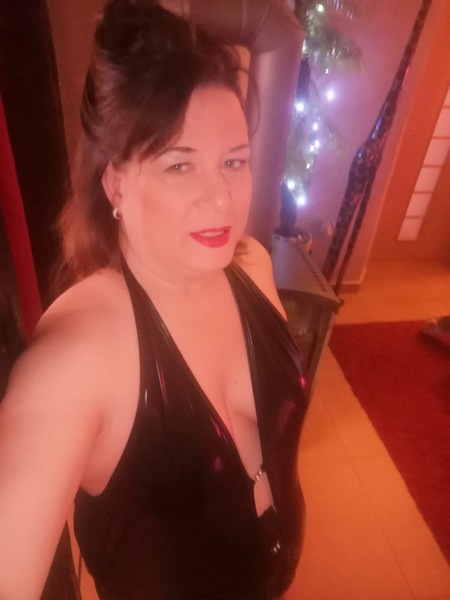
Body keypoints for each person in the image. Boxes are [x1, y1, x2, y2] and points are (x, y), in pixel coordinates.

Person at [0, 1, 308, 598]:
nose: (220, 199)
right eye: (179, 166)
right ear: (116, 183)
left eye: (233, 161)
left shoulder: (251, 266)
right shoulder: (78, 356)